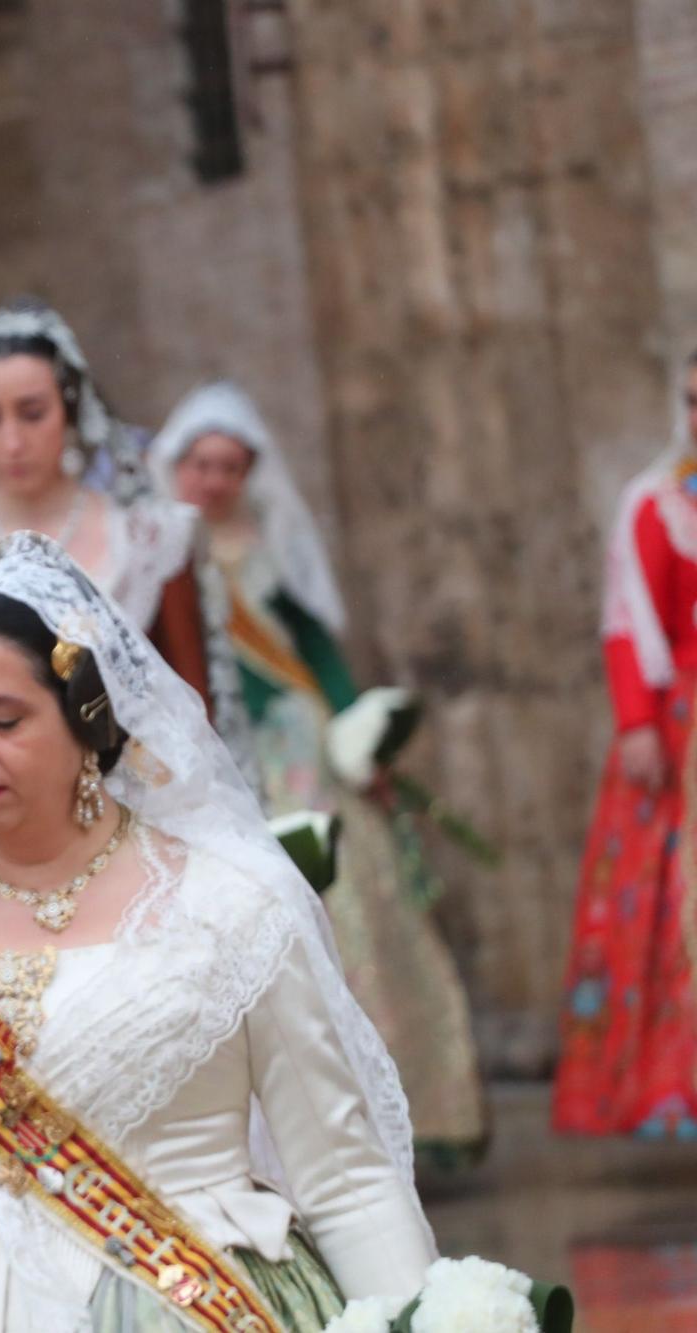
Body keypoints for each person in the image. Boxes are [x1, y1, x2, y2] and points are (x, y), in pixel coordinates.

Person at [0, 530, 442, 1331]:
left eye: (4, 718)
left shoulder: (227, 907)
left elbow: (344, 1179)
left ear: (87, 718)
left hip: (183, 1298)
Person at [153, 380, 485, 1162]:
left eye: (230, 466)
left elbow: (315, 649)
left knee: (350, 908)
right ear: (175, 463)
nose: (214, 480)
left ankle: (407, 1114)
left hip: (295, 750)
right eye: (201, 463)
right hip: (207, 752)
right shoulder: (151, 550)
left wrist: (354, 733)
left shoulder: (263, 548)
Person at [0, 301, 223, 720]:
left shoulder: (149, 540)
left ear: (70, 410)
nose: (13, 442)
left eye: (32, 414)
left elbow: (196, 710)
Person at [555, 348, 697, 1138]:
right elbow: (627, 619)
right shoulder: (658, 503)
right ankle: (674, 1089)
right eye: (691, 400)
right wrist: (638, 719)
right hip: (684, 727)